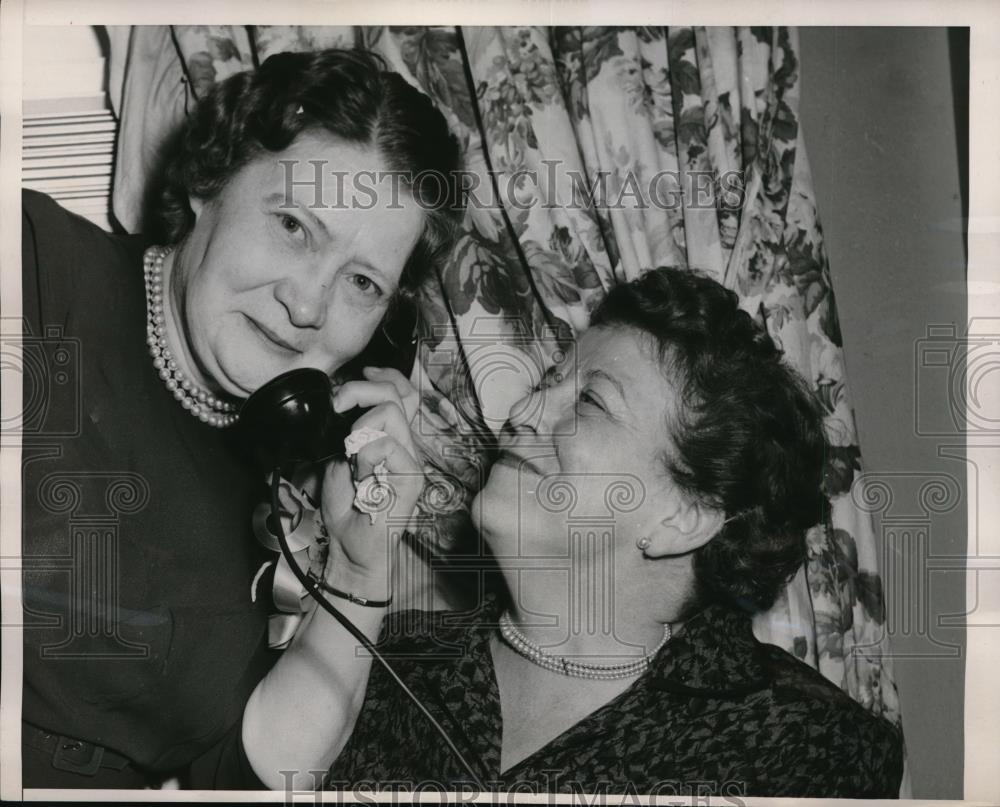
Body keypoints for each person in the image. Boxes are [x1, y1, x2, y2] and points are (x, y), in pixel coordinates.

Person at [264, 267, 904, 797]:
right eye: (547, 383)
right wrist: (356, 564)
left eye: (590, 402)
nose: (523, 413)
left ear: (683, 517)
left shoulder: (804, 745)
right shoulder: (389, 656)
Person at [21, 47, 463, 789]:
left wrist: (362, 564)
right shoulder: (33, 272)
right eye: (294, 226)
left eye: (361, 282)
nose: (309, 305)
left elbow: (253, 774)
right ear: (208, 182)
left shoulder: (287, 479)